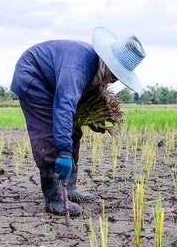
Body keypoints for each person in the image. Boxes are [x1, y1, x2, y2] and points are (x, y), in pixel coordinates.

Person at [10, 27, 146, 216]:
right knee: (48, 135)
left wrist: (94, 120)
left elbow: (78, 105)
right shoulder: (78, 68)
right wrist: (64, 152)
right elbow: (64, 107)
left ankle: (70, 190)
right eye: (115, 74)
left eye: (119, 77)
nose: (115, 81)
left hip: (54, 81)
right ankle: (54, 199)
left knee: (74, 130)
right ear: (108, 62)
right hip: (34, 76)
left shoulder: (100, 73)